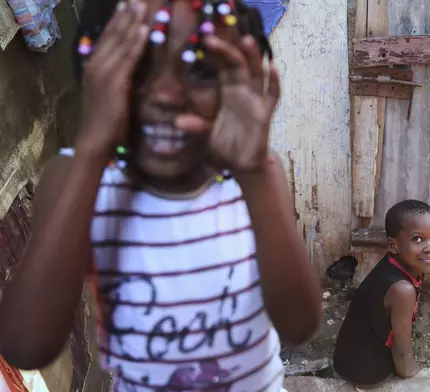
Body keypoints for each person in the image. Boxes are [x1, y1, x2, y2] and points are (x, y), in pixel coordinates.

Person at [0, 0, 322, 390]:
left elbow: (299, 322)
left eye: (199, 71)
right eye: (139, 69)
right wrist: (89, 155)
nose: (167, 95)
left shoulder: (255, 179)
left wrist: (255, 174)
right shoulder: (77, 181)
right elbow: (23, 347)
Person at [333, 200, 430, 388]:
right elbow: (402, 348)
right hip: (366, 371)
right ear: (393, 245)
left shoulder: (393, 265)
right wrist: (410, 371)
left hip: (346, 357)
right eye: (417, 239)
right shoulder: (402, 290)